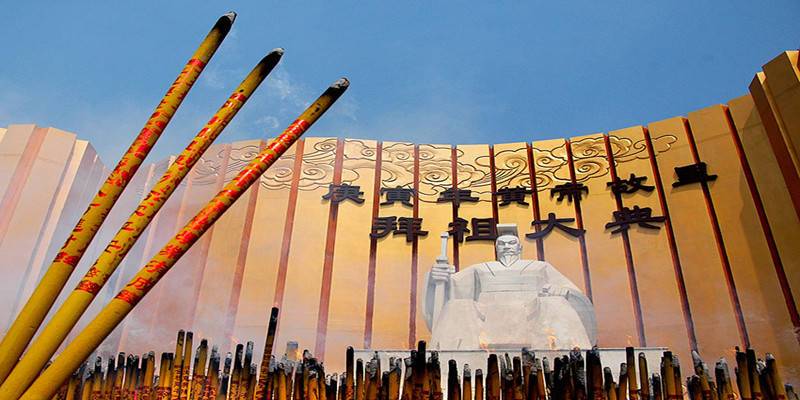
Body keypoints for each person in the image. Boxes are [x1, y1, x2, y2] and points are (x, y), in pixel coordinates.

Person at [423, 224, 597, 350]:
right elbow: (452, 289)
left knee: (555, 303)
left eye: (511, 243)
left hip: (534, 317)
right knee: (457, 306)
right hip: (486, 317)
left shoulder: (540, 266)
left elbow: (572, 293)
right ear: (496, 249)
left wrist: (563, 292)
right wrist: (437, 277)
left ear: (520, 247)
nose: (506, 247)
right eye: (502, 244)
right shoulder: (481, 268)